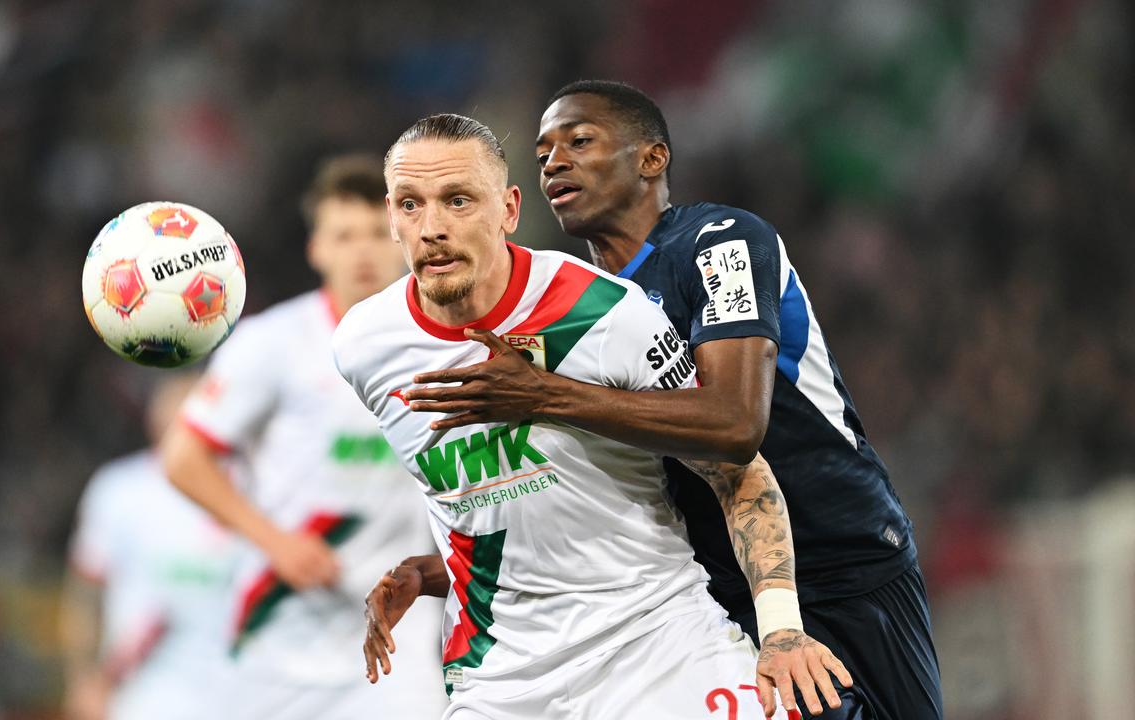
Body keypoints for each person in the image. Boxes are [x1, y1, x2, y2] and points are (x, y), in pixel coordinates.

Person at [394, 81, 944, 719]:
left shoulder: (722, 243)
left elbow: (735, 423)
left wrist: (544, 394)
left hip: (844, 558)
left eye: (579, 141)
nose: (554, 164)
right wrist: (444, 570)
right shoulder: (575, 301)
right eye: (542, 155)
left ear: (652, 158)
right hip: (713, 593)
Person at [159, 155, 447, 719]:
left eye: (377, 233)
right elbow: (182, 457)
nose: (362, 252)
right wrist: (276, 542)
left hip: (399, 638)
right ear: (317, 249)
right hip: (281, 636)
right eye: (344, 236)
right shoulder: (271, 343)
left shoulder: (443, 347)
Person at [61, 375, 243, 720]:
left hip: (235, 693)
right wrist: (83, 677)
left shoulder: (252, 489)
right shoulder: (121, 490)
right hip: (142, 693)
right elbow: (87, 591)